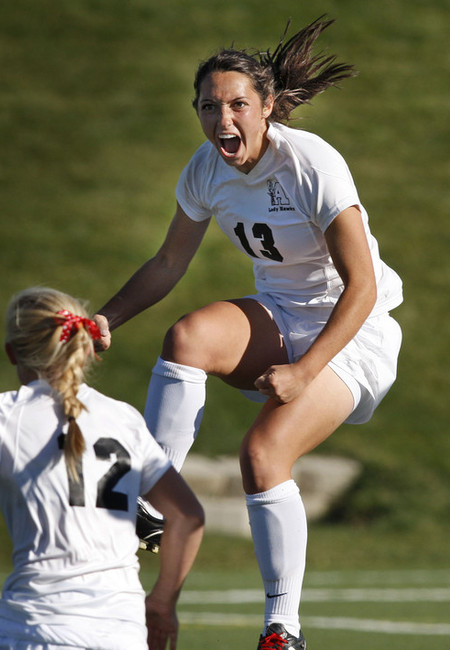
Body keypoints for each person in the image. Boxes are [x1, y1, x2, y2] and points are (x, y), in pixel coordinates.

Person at [94, 16, 403, 650]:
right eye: (210, 107)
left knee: (263, 457)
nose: (223, 120)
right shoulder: (206, 170)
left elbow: (362, 286)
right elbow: (167, 264)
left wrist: (304, 371)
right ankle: (155, 498)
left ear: (266, 108)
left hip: (353, 332)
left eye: (238, 104)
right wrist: (105, 319)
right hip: (282, 316)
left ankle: (281, 629)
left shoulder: (310, 161)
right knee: (187, 339)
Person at [0, 287, 204, 650]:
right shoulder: (124, 419)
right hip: (123, 634)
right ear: (87, 347)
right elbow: (186, 514)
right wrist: (162, 601)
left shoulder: (5, 415)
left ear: (13, 353)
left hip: (35, 631)